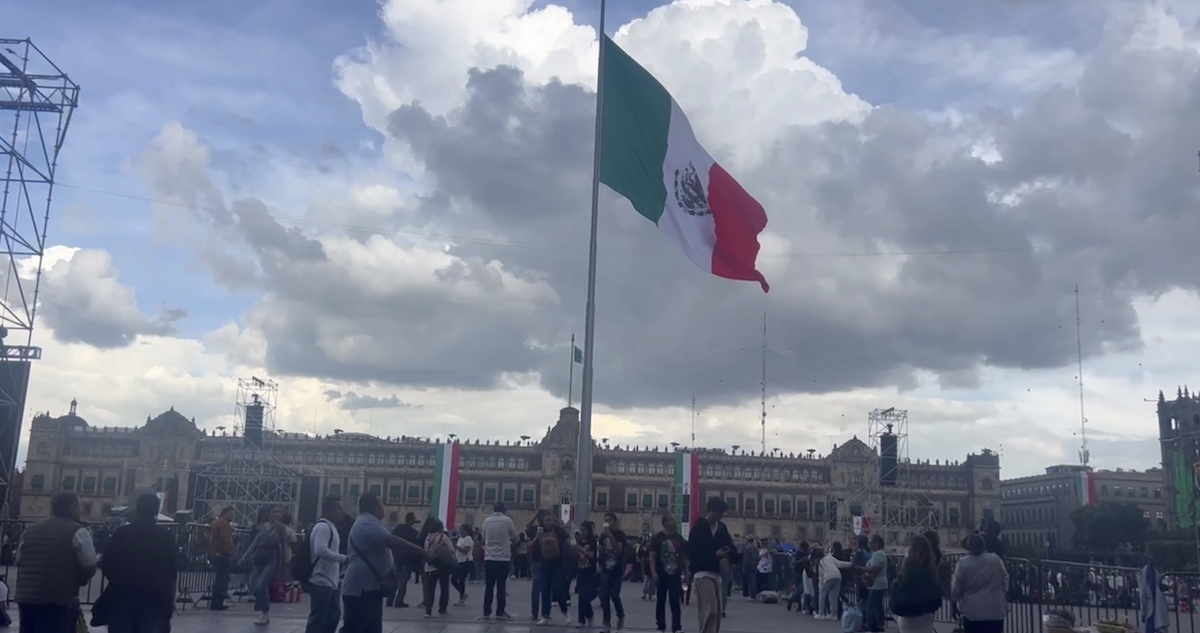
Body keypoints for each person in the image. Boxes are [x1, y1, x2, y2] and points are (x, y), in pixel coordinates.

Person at [343, 494, 427, 633]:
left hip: (369, 589)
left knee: (369, 628)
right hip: (361, 590)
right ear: (374, 506)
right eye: (380, 503)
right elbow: (393, 541)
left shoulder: (370, 523)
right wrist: (423, 552)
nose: (383, 507)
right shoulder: (366, 523)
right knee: (356, 628)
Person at [16, 492, 97, 633]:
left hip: (26, 597)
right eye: (79, 506)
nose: (81, 510)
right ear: (72, 508)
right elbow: (89, 564)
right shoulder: (78, 531)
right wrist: (79, 579)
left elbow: (18, 560)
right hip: (59, 597)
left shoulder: (30, 530)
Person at [98, 493, 178, 633]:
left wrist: (118, 581)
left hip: (123, 597)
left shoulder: (122, 534)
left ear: (137, 509)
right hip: (156, 600)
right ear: (156, 510)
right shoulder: (166, 537)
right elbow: (172, 572)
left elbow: (107, 563)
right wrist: (170, 600)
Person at [686, 497, 734, 633]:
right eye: (718, 512)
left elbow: (729, 546)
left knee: (717, 610)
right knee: (709, 607)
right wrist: (715, 555)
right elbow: (692, 551)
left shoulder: (722, 528)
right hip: (702, 572)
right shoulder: (699, 528)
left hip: (716, 572)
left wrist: (732, 554)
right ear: (711, 511)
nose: (720, 515)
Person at [951, 533, 1009, 633]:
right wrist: (1002, 593)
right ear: (984, 545)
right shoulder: (995, 559)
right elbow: (1005, 578)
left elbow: (956, 588)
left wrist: (955, 601)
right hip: (995, 609)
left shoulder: (963, 563)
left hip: (972, 611)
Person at [241, 505, 287, 625]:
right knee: (257, 585)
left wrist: (283, 564)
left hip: (272, 557)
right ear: (269, 513)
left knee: (262, 584)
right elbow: (255, 542)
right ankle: (262, 612)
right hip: (259, 557)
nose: (276, 514)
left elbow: (283, 546)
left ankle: (264, 612)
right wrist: (245, 556)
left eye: (278, 512)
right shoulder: (261, 526)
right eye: (274, 511)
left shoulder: (281, 528)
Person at [306, 495, 346, 633]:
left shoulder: (332, 527)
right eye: (338, 508)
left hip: (331, 582)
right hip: (321, 580)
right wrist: (343, 559)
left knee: (332, 617)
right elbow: (320, 550)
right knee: (318, 619)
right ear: (328, 509)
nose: (341, 511)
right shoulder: (323, 527)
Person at [890, 535, 942, 633]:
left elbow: (902, 585)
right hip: (926, 612)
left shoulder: (909, 566)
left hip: (909, 612)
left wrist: (895, 585)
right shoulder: (932, 567)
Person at [650, 514, 687, 633]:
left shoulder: (679, 538)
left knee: (675, 601)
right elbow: (652, 556)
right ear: (665, 522)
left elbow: (683, 556)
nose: (675, 522)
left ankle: (677, 627)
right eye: (672, 520)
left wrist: (686, 573)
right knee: (660, 600)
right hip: (661, 574)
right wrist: (653, 572)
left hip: (675, 575)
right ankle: (660, 625)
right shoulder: (658, 538)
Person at [481, 501, 518, 620]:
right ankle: (500, 612)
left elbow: (483, 537)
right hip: (503, 558)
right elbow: (514, 536)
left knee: (489, 586)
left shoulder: (486, 521)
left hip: (489, 557)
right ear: (503, 510)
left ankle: (486, 612)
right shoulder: (507, 520)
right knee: (501, 586)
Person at [533, 513, 571, 625]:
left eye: (550, 520)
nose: (548, 523)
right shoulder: (539, 531)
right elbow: (534, 544)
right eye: (546, 520)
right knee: (544, 589)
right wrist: (537, 537)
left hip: (558, 563)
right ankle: (545, 615)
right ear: (543, 522)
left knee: (558, 589)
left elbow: (568, 540)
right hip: (544, 563)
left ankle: (565, 612)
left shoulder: (559, 531)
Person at [597, 512, 627, 630]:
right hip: (605, 569)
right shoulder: (602, 536)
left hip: (616, 570)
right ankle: (606, 622)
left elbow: (618, 549)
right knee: (604, 596)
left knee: (614, 594)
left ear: (615, 521)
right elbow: (601, 551)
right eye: (606, 520)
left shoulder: (620, 535)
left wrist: (610, 535)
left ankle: (620, 614)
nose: (607, 522)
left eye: (610, 520)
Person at [422, 518, 453, 618]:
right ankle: (442, 609)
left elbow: (425, 550)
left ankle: (428, 611)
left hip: (429, 566)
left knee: (430, 590)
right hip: (442, 566)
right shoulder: (442, 536)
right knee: (444, 589)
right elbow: (451, 549)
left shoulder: (427, 538)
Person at [389, 513, 421, 608]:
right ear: (412, 521)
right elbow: (416, 546)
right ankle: (399, 600)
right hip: (407, 559)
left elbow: (391, 539)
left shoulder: (398, 528)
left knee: (395, 579)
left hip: (397, 557)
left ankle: (390, 599)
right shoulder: (413, 532)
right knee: (403, 581)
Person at [207, 507, 236, 611]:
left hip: (216, 553)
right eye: (230, 513)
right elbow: (224, 539)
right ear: (223, 513)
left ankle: (216, 602)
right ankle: (217, 603)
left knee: (220, 578)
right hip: (222, 554)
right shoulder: (224, 523)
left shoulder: (216, 522)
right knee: (222, 579)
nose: (232, 516)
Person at [817, 541, 852, 620]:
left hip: (828, 576)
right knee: (834, 597)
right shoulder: (830, 557)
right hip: (838, 576)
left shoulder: (820, 562)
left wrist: (821, 585)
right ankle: (834, 615)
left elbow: (821, 576)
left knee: (823, 594)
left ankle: (821, 613)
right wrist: (850, 564)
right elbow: (840, 564)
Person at [574, 521, 598, 627]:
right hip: (581, 570)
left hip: (590, 571)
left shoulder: (592, 542)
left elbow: (591, 555)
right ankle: (581, 620)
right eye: (581, 530)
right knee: (580, 595)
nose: (582, 533)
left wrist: (580, 549)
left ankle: (590, 615)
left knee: (585, 595)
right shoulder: (579, 541)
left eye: (584, 530)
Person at [863, 534, 888, 632]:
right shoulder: (877, 554)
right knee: (877, 605)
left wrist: (862, 569)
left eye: (871, 542)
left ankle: (871, 624)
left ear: (876, 543)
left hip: (877, 583)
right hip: (877, 583)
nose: (869, 544)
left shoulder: (878, 554)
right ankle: (879, 624)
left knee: (871, 604)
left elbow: (874, 569)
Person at [453, 525, 474, 606]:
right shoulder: (460, 538)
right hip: (459, 561)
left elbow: (465, 550)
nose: (461, 532)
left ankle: (461, 598)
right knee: (454, 579)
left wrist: (456, 546)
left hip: (466, 561)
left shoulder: (468, 539)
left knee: (461, 579)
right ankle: (462, 593)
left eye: (462, 530)